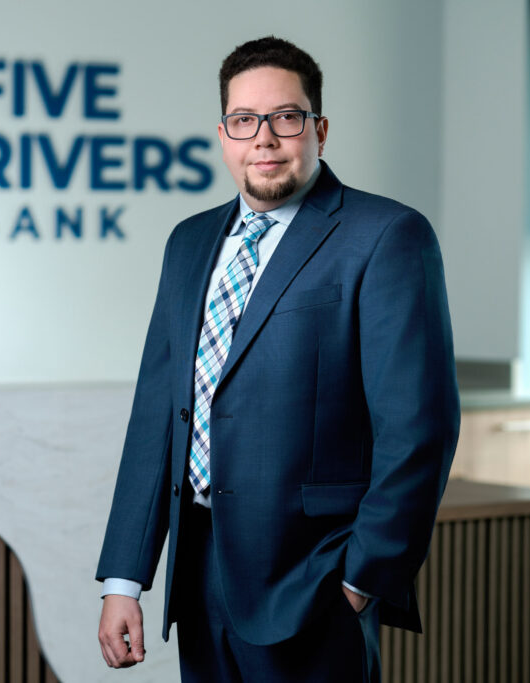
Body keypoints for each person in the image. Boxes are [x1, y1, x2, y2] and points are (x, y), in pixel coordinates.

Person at [95, 36, 460, 682]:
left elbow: (418, 428)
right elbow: (157, 416)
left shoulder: (386, 236)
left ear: (319, 129)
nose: (263, 138)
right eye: (244, 120)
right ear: (223, 135)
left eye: (285, 117)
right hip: (197, 574)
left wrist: (360, 580)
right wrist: (124, 578)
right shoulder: (188, 243)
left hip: (313, 581)